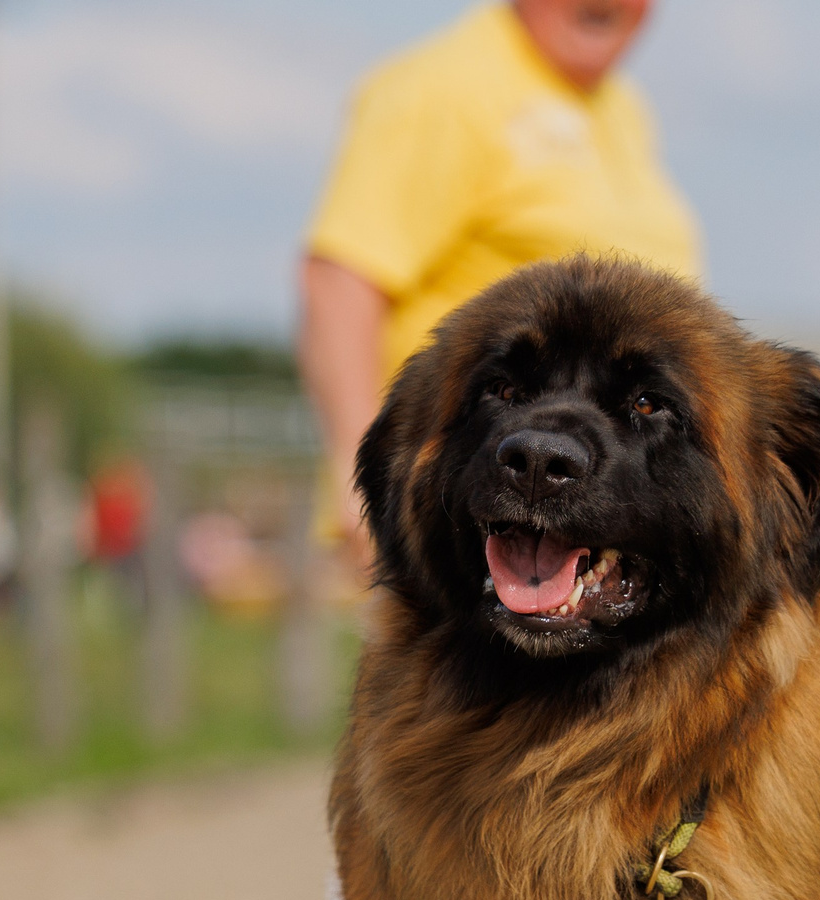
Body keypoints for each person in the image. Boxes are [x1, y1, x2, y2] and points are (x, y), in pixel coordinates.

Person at [298, 0, 700, 564]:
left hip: (581, 501)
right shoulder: (443, 86)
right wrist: (354, 467)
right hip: (469, 495)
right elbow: (342, 280)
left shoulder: (620, 108)